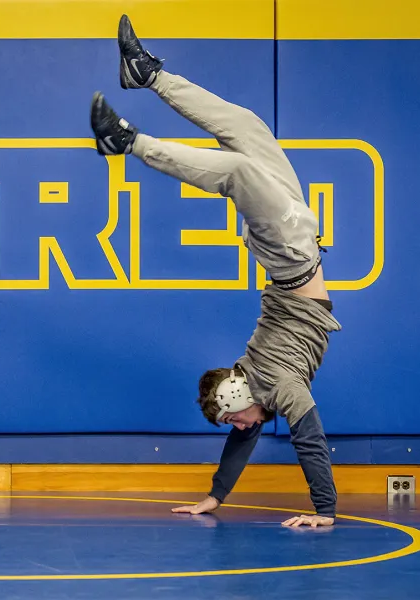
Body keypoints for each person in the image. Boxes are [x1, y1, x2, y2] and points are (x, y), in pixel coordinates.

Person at [91, 14, 342, 528]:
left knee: (244, 127)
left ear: (238, 401)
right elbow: (309, 438)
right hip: (294, 255)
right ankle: (129, 141)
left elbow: (242, 439)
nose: (241, 429)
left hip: (290, 257)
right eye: (236, 422)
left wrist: (215, 495)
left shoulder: (259, 385)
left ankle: (147, 75)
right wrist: (325, 511)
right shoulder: (277, 391)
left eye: (233, 419)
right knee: (244, 167)